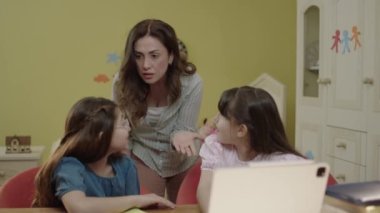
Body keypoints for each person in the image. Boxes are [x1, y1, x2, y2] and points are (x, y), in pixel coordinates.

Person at [112, 19, 203, 202]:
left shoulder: (191, 82)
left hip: (183, 159)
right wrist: (122, 165)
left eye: (154, 55)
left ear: (170, 56)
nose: (145, 65)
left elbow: (184, 128)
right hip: (143, 156)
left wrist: (182, 134)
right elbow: (121, 130)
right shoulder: (121, 83)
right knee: (145, 207)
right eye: (138, 56)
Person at [32, 97, 175, 212]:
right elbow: (78, 207)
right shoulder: (69, 166)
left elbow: (132, 210)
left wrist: (135, 203)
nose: (129, 128)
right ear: (101, 136)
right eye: (123, 124)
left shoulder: (126, 166)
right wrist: (137, 199)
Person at [199, 86, 305, 170]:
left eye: (222, 115)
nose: (215, 119)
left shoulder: (284, 163)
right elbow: (204, 191)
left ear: (241, 130)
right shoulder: (216, 147)